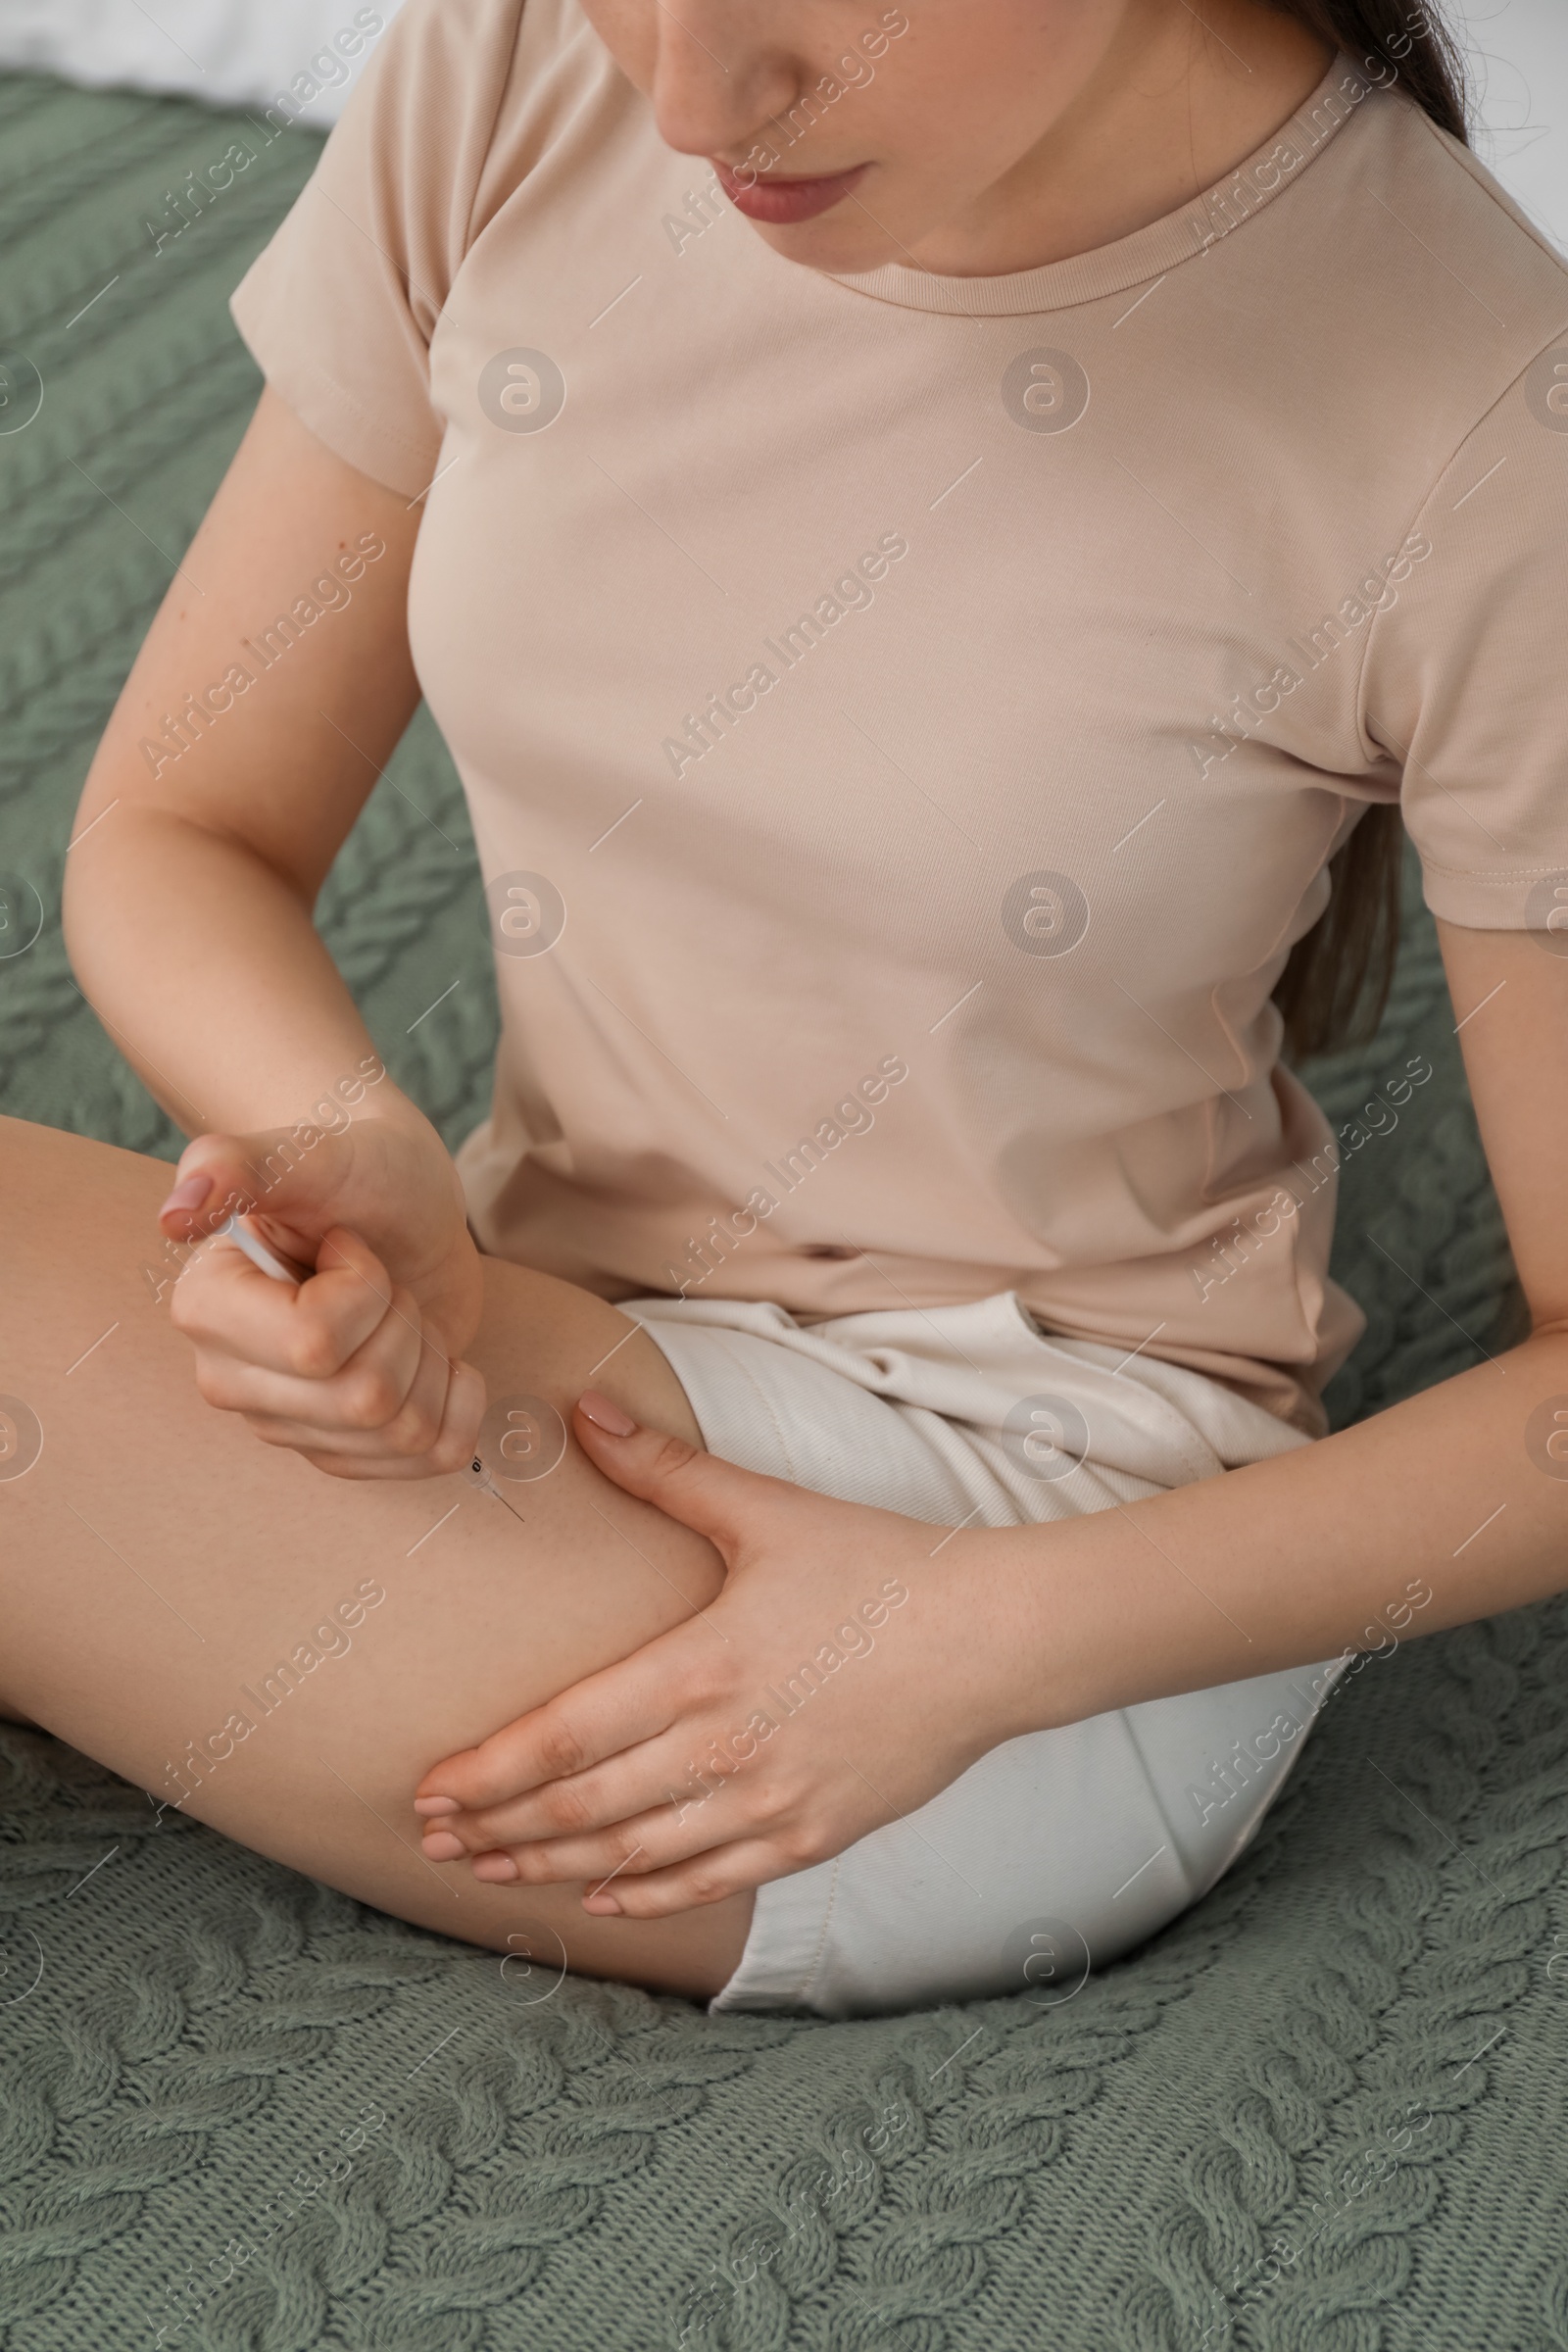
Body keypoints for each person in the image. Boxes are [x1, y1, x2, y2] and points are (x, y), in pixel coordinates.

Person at [4, 0, 1567, 2021]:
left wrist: (979, 1635)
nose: (681, 101)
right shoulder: (508, 72)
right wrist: (351, 1147)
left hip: (1030, 1567)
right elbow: (180, 822)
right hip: (571, 1344)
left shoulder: (1477, 401)